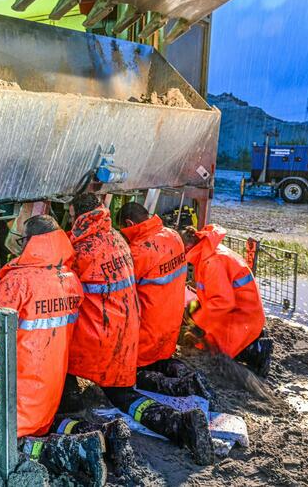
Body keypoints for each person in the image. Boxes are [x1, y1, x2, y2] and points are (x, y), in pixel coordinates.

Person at [67, 194, 213, 465]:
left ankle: (177, 424)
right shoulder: (118, 240)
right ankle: (180, 405)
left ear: (77, 218)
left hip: (102, 337)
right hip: (129, 328)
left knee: (117, 394)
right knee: (127, 385)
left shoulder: (80, 251)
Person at [0, 214, 109, 484]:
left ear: (30, 243)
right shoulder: (69, 278)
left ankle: (78, 450)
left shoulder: (18, 281)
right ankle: (90, 437)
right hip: (51, 385)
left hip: (20, 389)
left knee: (12, 443)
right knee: (40, 426)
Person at [117, 202, 209, 398]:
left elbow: (122, 293)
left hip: (148, 330)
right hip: (171, 326)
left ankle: (180, 388)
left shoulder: (139, 252)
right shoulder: (173, 235)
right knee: (162, 360)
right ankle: (187, 375)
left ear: (129, 223)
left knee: (138, 374)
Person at [181, 224, 272, 377]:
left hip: (242, 316)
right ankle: (252, 341)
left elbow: (222, 302)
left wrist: (199, 325)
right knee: (195, 317)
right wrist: (195, 311)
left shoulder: (211, 262)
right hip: (239, 310)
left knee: (216, 353)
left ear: (187, 248)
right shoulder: (207, 253)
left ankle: (257, 349)